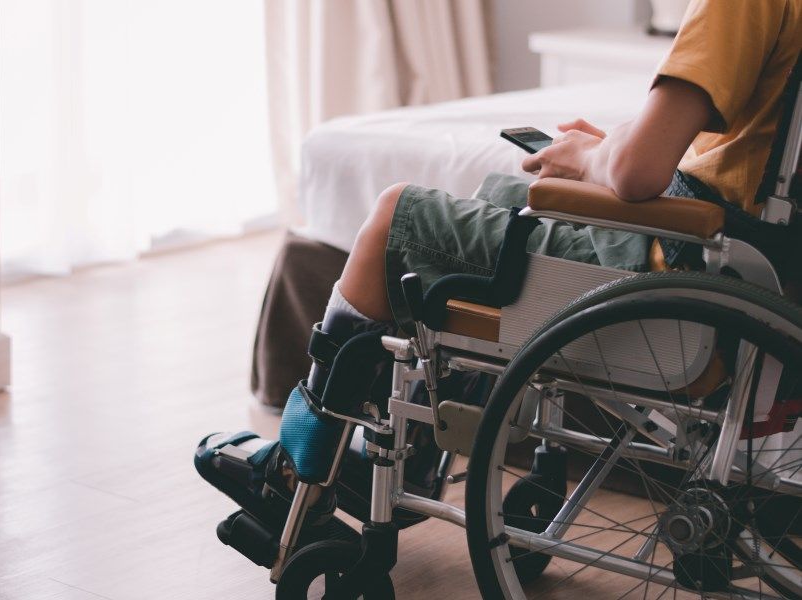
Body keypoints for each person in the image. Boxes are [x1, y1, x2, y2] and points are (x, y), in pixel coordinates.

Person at [195, 0, 802, 526]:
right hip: (756, 274)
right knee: (501, 197)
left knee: (392, 218)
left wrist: (602, 156)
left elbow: (638, 171)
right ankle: (416, 458)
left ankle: (295, 469)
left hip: (681, 272)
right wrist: (609, 147)